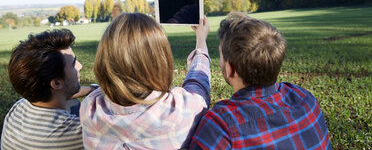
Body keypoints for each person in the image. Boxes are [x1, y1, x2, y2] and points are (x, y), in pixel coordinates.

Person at [190, 12, 332, 150]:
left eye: (221, 54)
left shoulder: (220, 125)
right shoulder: (304, 97)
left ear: (230, 68)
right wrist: (201, 38)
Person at [80, 13, 211, 149]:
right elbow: (198, 83)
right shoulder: (182, 109)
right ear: (160, 60)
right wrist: (201, 40)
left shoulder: (89, 109)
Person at [1, 29, 97, 150]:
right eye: (73, 64)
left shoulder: (18, 108)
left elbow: (64, 93)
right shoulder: (76, 133)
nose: (80, 66)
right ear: (56, 83)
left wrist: (93, 90)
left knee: (73, 103)